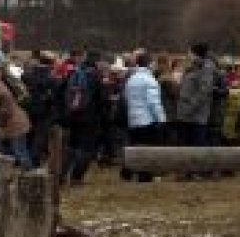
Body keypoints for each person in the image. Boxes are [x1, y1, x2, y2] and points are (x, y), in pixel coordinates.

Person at [60, 52, 111, 185]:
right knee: (86, 149)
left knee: (72, 146)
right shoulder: (96, 77)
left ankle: (61, 175)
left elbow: (61, 91)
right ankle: (76, 178)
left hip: (73, 115)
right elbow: (103, 100)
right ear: (97, 62)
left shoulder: (74, 73)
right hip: (90, 118)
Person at [121, 50, 167, 182]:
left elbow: (126, 97)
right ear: (149, 64)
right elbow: (154, 102)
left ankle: (128, 171)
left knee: (135, 146)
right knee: (147, 148)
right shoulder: (149, 80)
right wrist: (161, 119)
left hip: (133, 118)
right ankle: (144, 175)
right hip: (147, 119)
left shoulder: (132, 79)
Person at [0, 58, 34, 168]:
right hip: (12, 122)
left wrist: (1, 116)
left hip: (14, 123)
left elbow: (6, 99)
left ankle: (28, 171)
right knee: (4, 150)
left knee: (19, 151)